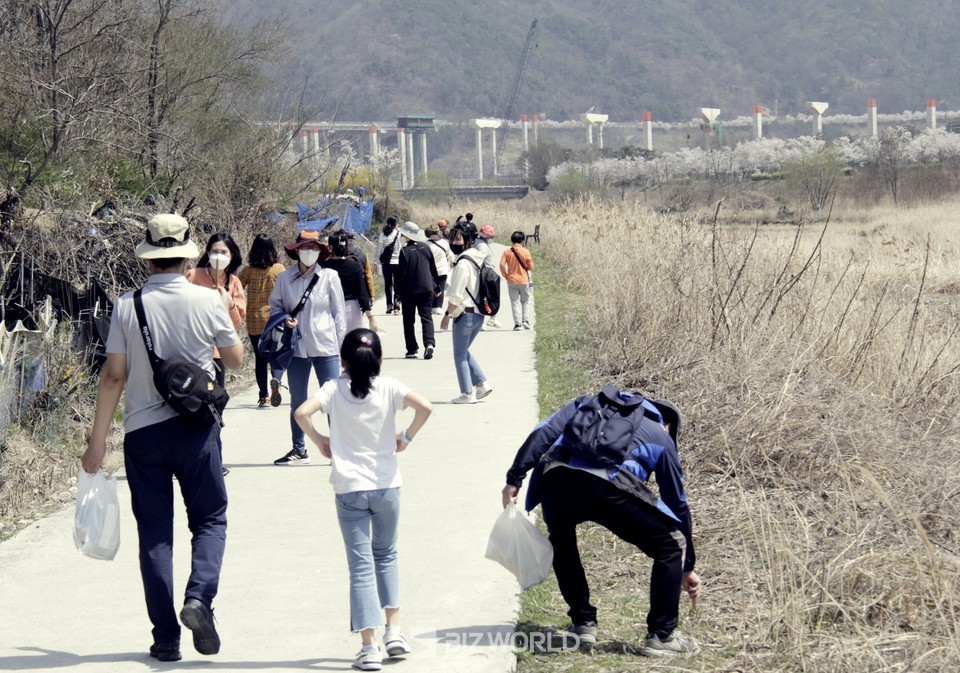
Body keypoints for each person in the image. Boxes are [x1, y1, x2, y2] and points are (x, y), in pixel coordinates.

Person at [81, 214, 243, 662]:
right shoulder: (208, 300)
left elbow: (113, 376)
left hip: (143, 434)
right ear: (189, 256)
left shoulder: (126, 305)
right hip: (196, 431)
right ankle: (199, 599)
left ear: (148, 259)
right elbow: (233, 360)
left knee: (155, 536)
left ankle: (166, 639)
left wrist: (97, 443)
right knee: (210, 519)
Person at [500, 389, 701, 657]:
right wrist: (687, 566)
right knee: (671, 545)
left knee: (562, 541)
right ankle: (661, 636)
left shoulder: (587, 404)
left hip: (555, 479)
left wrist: (515, 477)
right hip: (607, 487)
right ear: (668, 423)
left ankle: (583, 623)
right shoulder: (661, 436)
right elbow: (677, 504)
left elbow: (544, 431)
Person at [294, 328, 432, 672]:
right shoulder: (389, 387)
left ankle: (368, 648)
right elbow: (425, 407)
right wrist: (406, 437)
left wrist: (320, 440)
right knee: (386, 555)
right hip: (386, 486)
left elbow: (300, 413)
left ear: (341, 361)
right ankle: (395, 632)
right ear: (379, 360)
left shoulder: (332, 390)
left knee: (360, 567)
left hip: (349, 488)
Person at [271, 229, 347, 466]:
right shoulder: (285, 279)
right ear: (296, 251)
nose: (309, 252)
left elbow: (339, 314)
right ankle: (299, 448)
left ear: (321, 251)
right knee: (298, 401)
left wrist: (342, 347)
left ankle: (340, 449)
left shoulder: (330, 277)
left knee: (333, 400)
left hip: (326, 347)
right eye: (305, 247)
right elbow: (276, 309)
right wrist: (284, 322)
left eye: (314, 248)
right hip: (296, 348)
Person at [439, 222, 493, 404]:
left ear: (468, 240)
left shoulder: (463, 264)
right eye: (453, 237)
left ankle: (467, 393)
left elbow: (455, 295)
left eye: (458, 238)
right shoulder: (478, 258)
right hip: (478, 315)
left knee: (459, 354)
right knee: (463, 351)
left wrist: (447, 315)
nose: (454, 241)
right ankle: (481, 384)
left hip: (465, 315)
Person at [185, 233, 246, 387]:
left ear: (231, 255)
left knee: (214, 400)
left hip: (218, 352)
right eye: (215, 252)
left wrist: (229, 302)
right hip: (191, 349)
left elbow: (237, 323)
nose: (219, 256)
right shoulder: (192, 276)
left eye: (224, 252)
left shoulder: (234, 283)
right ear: (208, 253)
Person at [238, 234, 286, 407]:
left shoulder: (248, 271)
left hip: (254, 320)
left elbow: (236, 289)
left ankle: (264, 396)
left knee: (260, 359)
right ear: (273, 249)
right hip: (274, 320)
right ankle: (276, 383)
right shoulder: (279, 269)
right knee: (275, 356)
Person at [395, 221, 440, 360]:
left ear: (407, 235)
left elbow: (401, 274)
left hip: (409, 291)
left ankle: (412, 349)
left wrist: (397, 293)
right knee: (426, 317)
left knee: (408, 320)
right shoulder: (426, 247)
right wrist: (436, 286)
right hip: (427, 288)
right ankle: (429, 344)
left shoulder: (404, 251)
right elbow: (433, 268)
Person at [323, 229, 378, 333]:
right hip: (351, 311)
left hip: (329, 311)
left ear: (330, 247)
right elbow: (362, 293)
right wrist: (371, 317)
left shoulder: (323, 267)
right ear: (346, 246)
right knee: (352, 346)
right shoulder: (354, 265)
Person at [498, 231, 534, 330]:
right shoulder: (525, 251)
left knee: (515, 302)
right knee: (525, 301)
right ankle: (525, 320)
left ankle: (517, 324)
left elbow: (501, 264)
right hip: (524, 280)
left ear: (512, 240)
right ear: (522, 240)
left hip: (512, 280)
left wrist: (506, 275)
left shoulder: (507, 252)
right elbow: (531, 266)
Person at [474, 224, 501, 329]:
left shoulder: (478, 243)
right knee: (487, 297)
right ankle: (485, 320)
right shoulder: (483, 246)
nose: (492, 239)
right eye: (491, 237)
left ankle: (492, 318)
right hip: (485, 275)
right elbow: (479, 261)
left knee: (488, 297)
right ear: (485, 236)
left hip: (484, 274)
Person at [425, 223, 454, 315]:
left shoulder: (425, 244)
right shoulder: (444, 243)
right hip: (442, 269)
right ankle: (437, 307)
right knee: (440, 287)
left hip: (429, 270)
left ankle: (429, 305)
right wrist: (453, 264)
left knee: (430, 288)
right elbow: (450, 255)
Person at [375, 217, 402, 314]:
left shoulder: (383, 234)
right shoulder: (398, 234)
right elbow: (399, 248)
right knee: (397, 285)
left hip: (386, 263)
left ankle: (389, 305)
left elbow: (379, 248)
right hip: (397, 262)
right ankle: (397, 307)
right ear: (396, 224)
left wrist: (376, 262)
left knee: (388, 284)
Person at [345, 228, 376, 303]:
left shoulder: (336, 255)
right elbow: (368, 275)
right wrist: (371, 294)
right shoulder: (362, 254)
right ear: (353, 240)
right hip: (360, 293)